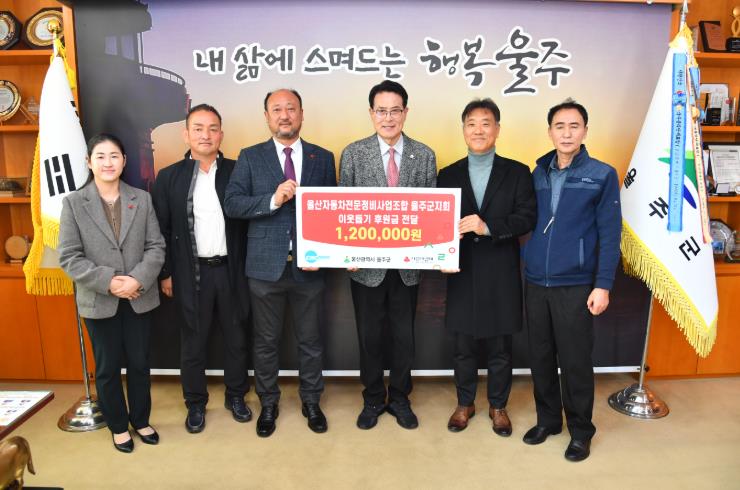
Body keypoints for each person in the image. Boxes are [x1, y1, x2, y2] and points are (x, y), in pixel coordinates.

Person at [224, 89, 336, 437]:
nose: (284, 115)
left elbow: (332, 212)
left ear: (301, 114)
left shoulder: (322, 157)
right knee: (265, 342)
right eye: (277, 109)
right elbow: (233, 204)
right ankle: (268, 403)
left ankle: (311, 401)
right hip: (264, 268)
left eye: (291, 108)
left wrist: (326, 254)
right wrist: (272, 200)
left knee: (311, 341)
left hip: (310, 266)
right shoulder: (250, 156)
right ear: (267, 116)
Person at [522, 99, 622, 462]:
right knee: (541, 357)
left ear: (585, 131)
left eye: (574, 126)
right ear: (550, 132)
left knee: (576, 361)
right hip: (536, 282)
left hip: (577, 284)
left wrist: (603, 285)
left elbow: (610, 234)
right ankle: (548, 420)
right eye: (559, 126)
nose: (566, 133)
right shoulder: (537, 174)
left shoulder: (601, 175)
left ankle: (581, 432)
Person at [339, 80, 437, 430]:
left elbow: (431, 213)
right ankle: (372, 398)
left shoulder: (424, 155)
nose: (388, 117)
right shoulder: (353, 153)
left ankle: (399, 397)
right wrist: (346, 252)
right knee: (369, 337)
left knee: (403, 337)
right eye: (381, 111)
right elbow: (343, 210)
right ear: (371, 113)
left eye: (395, 110)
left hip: (407, 268)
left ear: (405, 112)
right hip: (365, 268)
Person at [59, 133, 165, 453]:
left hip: (139, 296)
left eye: (114, 156)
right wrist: (111, 282)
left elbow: (156, 247)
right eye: (101, 156)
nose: (108, 163)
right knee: (107, 368)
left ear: (124, 161)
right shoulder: (74, 203)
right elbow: (69, 257)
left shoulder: (141, 199)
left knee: (139, 364)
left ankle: (141, 420)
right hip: (99, 300)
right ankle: (118, 426)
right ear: (89, 162)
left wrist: (136, 280)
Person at [437, 98, 536, 435]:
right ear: (463, 129)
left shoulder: (518, 172)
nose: (478, 130)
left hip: (500, 270)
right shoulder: (447, 174)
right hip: (461, 269)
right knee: (463, 346)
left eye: (485, 123)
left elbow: (527, 217)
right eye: (471, 124)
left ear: (497, 129)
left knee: (500, 347)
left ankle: (498, 405)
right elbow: (437, 222)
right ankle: (464, 403)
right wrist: (442, 253)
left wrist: (487, 227)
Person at [151, 104, 251, 434]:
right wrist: (166, 273)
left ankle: (236, 396)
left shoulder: (238, 171)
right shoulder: (169, 177)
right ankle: (195, 403)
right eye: (198, 128)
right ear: (186, 134)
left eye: (212, 128)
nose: (205, 135)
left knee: (237, 337)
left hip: (232, 270)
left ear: (221, 134)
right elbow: (161, 229)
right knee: (193, 341)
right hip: (189, 272)